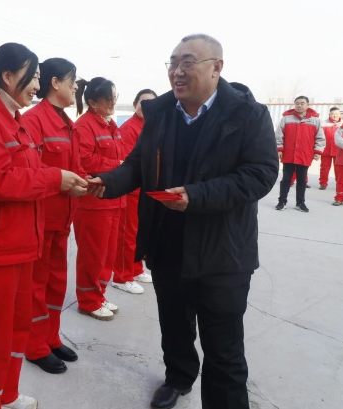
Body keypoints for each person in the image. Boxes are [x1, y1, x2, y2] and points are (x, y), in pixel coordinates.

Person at [87, 34, 278, 409]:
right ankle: (178, 377)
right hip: (168, 245)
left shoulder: (247, 114)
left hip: (223, 252)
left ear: (216, 67)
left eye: (187, 62)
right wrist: (106, 182)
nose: (177, 71)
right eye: (172, 63)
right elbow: (138, 165)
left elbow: (261, 174)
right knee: (174, 327)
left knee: (224, 348)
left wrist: (197, 195)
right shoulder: (160, 113)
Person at [0, 43, 87, 409]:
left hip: (21, 243)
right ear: (8, 75)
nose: (38, 86)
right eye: (34, 77)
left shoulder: (14, 119)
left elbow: (28, 171)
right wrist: (55, 179)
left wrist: (64, 181)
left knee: (15, 327)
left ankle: (5, 395)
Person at [22, 58, 82, 375]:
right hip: (40, 220)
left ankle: (50, 336)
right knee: (36, 284)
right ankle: (34, 344)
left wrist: (86, 183)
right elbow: (30, 171)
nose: (76, 87)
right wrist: (62, 181)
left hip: (62, 220)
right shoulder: (33, 121)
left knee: (56, 283)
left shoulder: (67, 124)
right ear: (55, 82)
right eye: (73, 80)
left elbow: (74, 167)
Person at [74, 77, 126, 321]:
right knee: (93, 255)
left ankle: (99, 294)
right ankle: (88, 300)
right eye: (108, 99)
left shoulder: (111, 125)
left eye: (114, 97)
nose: (113, 102)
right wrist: (118, 165)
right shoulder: (84, 126)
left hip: (113, 199)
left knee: (107, 253)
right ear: (93, 102)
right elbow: (85, 159)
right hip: (93, 203)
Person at [112, 89, 157, 295]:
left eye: (150, 102)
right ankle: (122, 276)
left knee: (138, 232)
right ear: (134, 104)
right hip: (132, 191)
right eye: (142, 102)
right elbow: (131, 163)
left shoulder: (150, 126)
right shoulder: (129, 128)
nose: (145, 106)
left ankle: (136, 268)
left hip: (145, 190)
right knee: (127, 234)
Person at [274, 96, 325, 212]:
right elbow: (278, 136)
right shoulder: (286, 119)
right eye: (297, 103)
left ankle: (300, 203)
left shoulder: (315, 120)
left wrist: (318, 151)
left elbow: (320, 137)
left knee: (302, 180)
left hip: (305, 154)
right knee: (286, 179)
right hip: (289, 154)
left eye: (302, 103)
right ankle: (282, 201)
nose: (299, 105)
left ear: (307, 105)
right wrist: (279, 149)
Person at [318, 107, 342, 190]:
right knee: (324, 168)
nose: (335, 116)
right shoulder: (323, 123)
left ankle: (339, 184)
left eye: (337, 114)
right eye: (333, 114)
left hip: (339, 151)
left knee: (339, 169)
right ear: (329, 114)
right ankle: (323, 183)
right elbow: (319, 137)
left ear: (340, 115)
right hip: (326, 150)